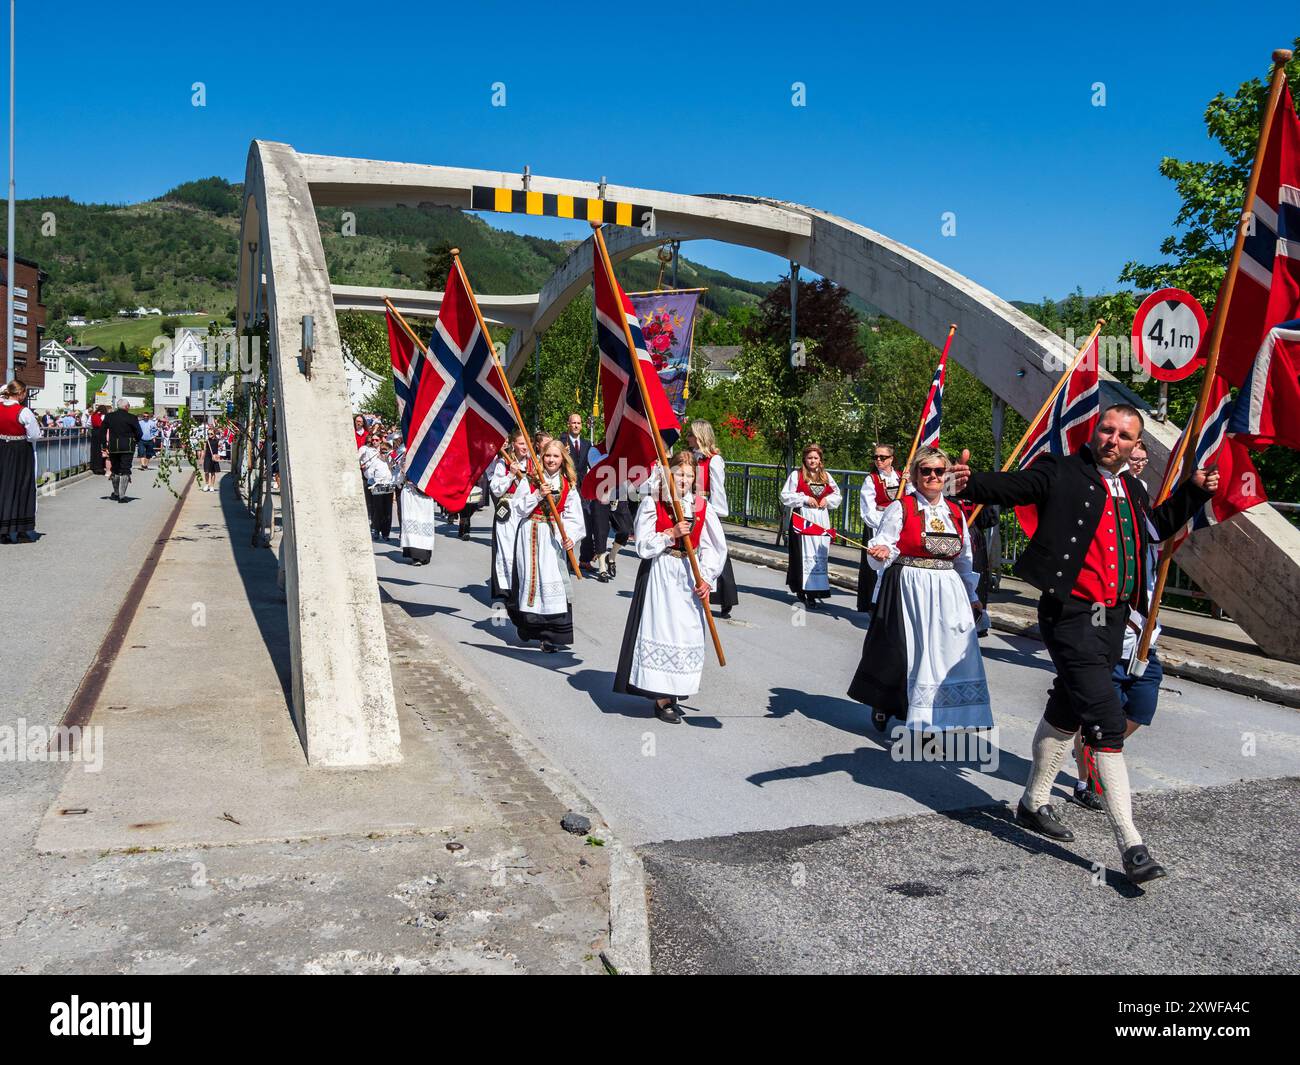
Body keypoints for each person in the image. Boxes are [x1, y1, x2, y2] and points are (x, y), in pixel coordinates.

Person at [951, 404, 1216, 884]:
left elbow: (1154, 530)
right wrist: (964, 483)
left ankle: (1032, 803)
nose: (1112, 439)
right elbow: (1015, 488)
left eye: (1123, 435)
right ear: (1096, 434)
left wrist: (1194, 492)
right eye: (1106, 430)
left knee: (1068, 708)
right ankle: (1131, 845)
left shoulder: (1132, 487)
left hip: (1114, 619)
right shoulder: (1063, 471)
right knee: (1106, 720)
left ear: (1138, 447)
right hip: (1070, 616)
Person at [847, 446, 992, 735]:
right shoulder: (900, 507)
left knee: (947, 652)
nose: (933, 476)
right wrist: (879, 552)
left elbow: (963, 559)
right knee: (902, 652)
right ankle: (885, 703)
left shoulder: (954, 512)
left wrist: (973, 598)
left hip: (947, 590)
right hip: (907, 586)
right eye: (926, 471)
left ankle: (939, 716)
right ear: (915, 475)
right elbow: (886, 545)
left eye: (939, 471)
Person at [615, 450, 728, 724]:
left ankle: (675, 690)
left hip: (689, 574)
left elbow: (715, 548)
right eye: (679, 474)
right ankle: (662, 698)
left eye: (689, 476)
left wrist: (707, 578)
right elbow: (642, 546)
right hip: (661, 572)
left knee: (685, 633)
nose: (684, 480)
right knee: (663, 629)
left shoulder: (701, 506)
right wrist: (670, 535)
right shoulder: (654, 503)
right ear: (669, 473)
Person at [507, 437, 585, 652]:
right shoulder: (530, 480)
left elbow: (574, 517)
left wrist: (569, 535)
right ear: (542, 457)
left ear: (563, 460)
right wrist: (538, 495)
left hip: (553, 536)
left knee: (553, 580)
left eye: (555, 456)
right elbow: (519, 509)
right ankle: (528, 627)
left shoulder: (568, 485)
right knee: (530, 580)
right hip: (530, 532)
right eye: (548, 456)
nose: (551, 460)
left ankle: (551, 636)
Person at [687, 419, 740, 620]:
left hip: (706, 507)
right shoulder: (690, 457)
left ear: (700, 436)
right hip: (689, 506)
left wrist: (715, 513)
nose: (688, 438)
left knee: (715, 549)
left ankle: (724, 597)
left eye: (691, 434)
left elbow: (718, 489)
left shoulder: (714, 460)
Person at [779, 444, 842, 608]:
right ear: (804, 459)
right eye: (809, 458)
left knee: (818, 555)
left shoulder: (826, 476)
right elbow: (785, 496)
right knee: (803, 554)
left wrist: (827, 500)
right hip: (803, 517)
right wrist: (806, 499)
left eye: (815, 458)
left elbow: (837, 495)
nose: (812, 461)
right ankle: (803, 589)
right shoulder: (797, 475)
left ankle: (815, 591)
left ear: (820, 460)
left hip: (821, 518)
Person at [857, 443, 901, 613]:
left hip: (898, 528)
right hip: (878, 526)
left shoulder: (901, 478)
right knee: (876, 566)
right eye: (876, 457)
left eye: (882, 457)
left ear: (891, 459)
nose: (878, 460)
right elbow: (867, 509)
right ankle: (873, 605)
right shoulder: (871, 479)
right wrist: (883, 524)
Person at [488, 431, 530, 599]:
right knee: (506, 548)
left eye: (527, 443)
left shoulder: (534, 465)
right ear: (513, 445)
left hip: (526, 509)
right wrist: (511, 475)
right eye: (521, 443)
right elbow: (496, 489)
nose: (525, 447)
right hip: (508, 509)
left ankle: (523, 584)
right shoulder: (503, 463)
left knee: (523, 548)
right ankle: (506, 588)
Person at [0, 380, 42, 542]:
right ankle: (20, 528)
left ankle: (3, 530)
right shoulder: (24, 411)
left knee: (3, 486)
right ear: (21, 393)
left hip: (1, 449)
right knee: (22, 487)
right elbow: (34, 435)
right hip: (19, 452)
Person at [397, 450, 437, 567]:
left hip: (425, 495)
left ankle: (425, 555)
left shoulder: (429, 457)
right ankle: (415, 556)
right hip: (410, 495)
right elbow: (400, 479)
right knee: (412, 520)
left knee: (424, 521)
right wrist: (403, 469)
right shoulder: (405, 456)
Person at [359, 431, 397, 541]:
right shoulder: (375, 462)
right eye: (383, 452)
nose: (385, 454)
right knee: (378, 510)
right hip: (377, 487)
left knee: (387, 511)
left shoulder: (390, 462)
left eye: (386, 452)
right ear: (380, 452)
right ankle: (376, 530)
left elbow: (395, 473)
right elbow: (369, 474)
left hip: (388, 487)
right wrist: (373, 474)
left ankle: (386, 533)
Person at [103, 398, 142, 502]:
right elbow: (139, 433)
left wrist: (104, 445)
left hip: (113, 446)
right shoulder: (132, 417)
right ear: (126, 407)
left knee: (115, 469)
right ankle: (122, 496)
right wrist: (135, 441)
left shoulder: (109, 416)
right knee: (125, 469)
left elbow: (102, 431)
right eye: (128, 405)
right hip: (128, 447)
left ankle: (116, 493)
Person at [199, 418, 221, 492]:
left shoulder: (217, 440)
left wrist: (216, 423)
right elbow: (204, 450)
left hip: (214, 457)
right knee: (206, 472)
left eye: (211, 433)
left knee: (213, 472)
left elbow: (221, 432)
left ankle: (212, 486)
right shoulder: (206, 441)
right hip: (208, 457)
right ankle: (206, 484)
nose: (209, 435)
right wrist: (201, 459)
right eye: (208, 433)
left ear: (214, 433)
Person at [89, 405, 108, 479]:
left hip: (94, 432)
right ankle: (101, 467)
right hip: (102, 432)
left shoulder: (93, 415)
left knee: (95, 449)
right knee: (103, 449)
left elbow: (89, 424)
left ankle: (94, 466)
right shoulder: (104, 415)